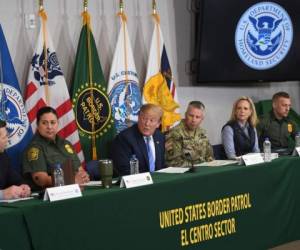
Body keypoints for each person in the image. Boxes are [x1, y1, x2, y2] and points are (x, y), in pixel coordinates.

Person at [23, 106, 89, 190]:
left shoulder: (66, 144)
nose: (49, 127)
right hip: (49, 196)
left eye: (53, 122)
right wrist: (70, 181)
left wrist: (83, 176)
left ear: (58, 123)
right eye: (44, 123)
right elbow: (41, 180)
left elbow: (80, 170)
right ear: (37, 125)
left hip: (74, 190)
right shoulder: (35, 148)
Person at [111, 103, 165, 176]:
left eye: (151, 120)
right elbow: (124, 170)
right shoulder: (125, 138)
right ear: (138, 118)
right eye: (144, 119)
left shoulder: (160, 137)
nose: (147, 124)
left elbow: (161, 166)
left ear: (158, 123)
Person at [165, 101, 214, 167]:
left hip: (202, 171)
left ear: (202, 119)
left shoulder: (203, 133)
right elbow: (174, 162)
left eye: (197, 117)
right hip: (184, 174)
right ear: (185, 115)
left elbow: (210, 157)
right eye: (191, 116)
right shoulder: (175, 133)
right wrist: (198, 166)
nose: (193, 120)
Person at [0, 120, 31, 200]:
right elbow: (4, 193)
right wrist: (2, 194)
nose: (7, 140)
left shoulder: (3, 157)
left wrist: (24, 187)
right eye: (4, 137)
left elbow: (16, 180)